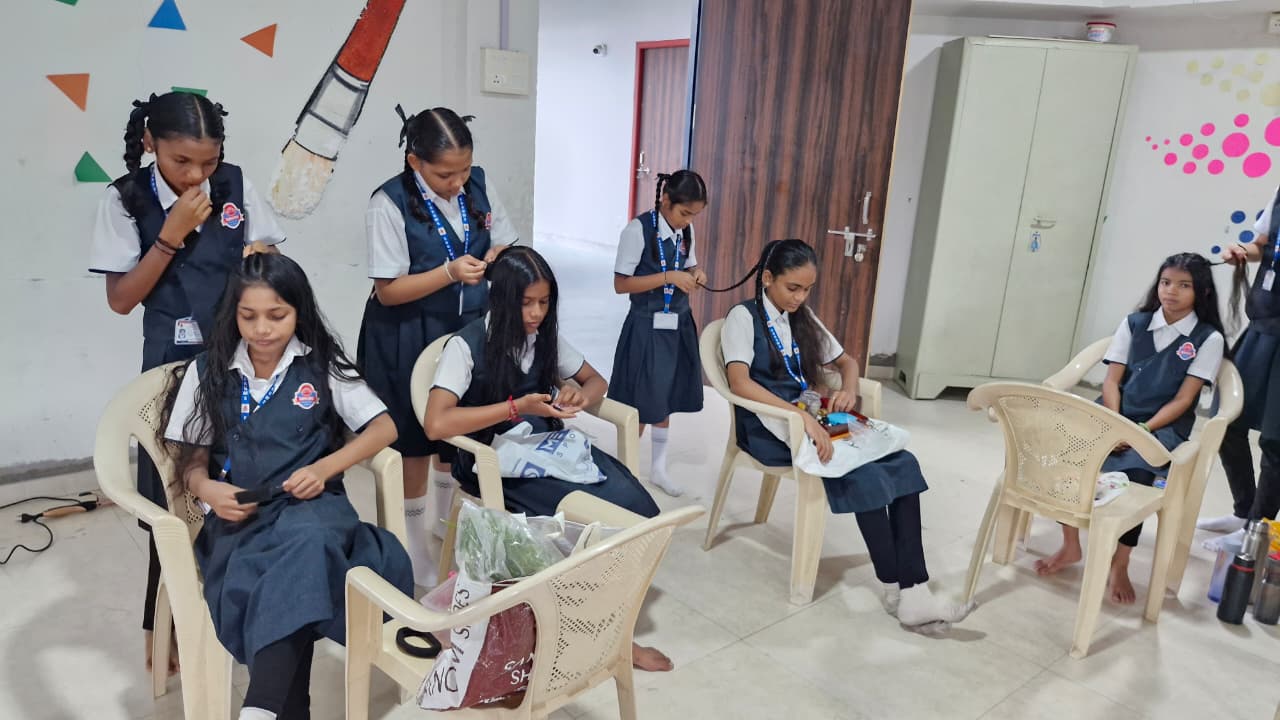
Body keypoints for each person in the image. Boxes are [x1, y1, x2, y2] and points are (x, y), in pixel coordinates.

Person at [161, 253, 412, 720]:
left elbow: (384, 428)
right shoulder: (207, 371)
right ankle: (280, 710)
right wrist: (207, 489)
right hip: (244, 515)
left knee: (308, 542)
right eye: (248, 316)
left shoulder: (322, 366)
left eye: (277, 316)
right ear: (233, 315)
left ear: (299, 312)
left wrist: (325, 468)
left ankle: (260, 707)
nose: (262, 329)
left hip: (314, 507)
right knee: (297, 569)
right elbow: (190, 461)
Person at [88, 90, 285, 672]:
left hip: (240, 357)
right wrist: (170, 234)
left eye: (209, 160)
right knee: (170, 498)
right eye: (182, 162)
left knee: (241, 482)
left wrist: (259, 255)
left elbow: (265, 256)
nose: (198, 175)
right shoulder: (125, 198)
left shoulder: (235, 184)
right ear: (151, 143)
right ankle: (163, 621)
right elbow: (121, 298)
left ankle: (242, 606)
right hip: (171, 366)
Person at [423, 246, 673, 670]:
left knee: (642, 513)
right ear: (502, 299)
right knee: (597, 525)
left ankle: (602, 621)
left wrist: (579, 395)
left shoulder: (543, 339)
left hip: (544, 446)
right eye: (526, 303)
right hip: (491, 458)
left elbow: (596, 381)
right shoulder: (466, 346)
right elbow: (436, 422)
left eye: (544, 302)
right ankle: (608, 636)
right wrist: (515, 408)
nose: (536, 313)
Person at [719, 239, 974, 628]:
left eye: (807, 289)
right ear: (767, 278)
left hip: (811, 415)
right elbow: (739, 383)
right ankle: (898, 587)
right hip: (769, 426)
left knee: (903, 463)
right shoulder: (743, 317)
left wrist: (849, 390)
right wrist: (801, 417)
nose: (800, 297)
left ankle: (913, 590)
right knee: (865, 475)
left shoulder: (801, 315)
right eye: (792, 288)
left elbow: (847, 362)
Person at [357, 106, 518, 587]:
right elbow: (388, 290)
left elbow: (504, 241)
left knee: (456, 431)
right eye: (445, 174)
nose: (457, 182)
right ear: (415, 162)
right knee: (414, 440)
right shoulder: (388, 203)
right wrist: (448, 272)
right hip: (407, 330)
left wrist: (498, 254)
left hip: (465, 328)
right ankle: (412, 542)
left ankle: (446, 525)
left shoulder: (478, 185)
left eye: (464, 170)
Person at [1034, 253, 1224, 603]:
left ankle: (1120, 561)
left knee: (1136, 476)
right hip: (1113, 412)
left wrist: (1140, 431)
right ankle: (1071, 545)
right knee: (1069, 458)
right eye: (1166, 282)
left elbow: (1184, 400)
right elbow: (1111, 381)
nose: (1171, 291)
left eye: (1184, 285)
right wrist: (1116, 424)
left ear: (1202, 292)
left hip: (1161, 425)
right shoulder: (1135, 323)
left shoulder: (1207, 338)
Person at [609, 170, 709, 496]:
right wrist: (668, 277)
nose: (688, 221)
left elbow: (689, 265)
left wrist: (696, 273)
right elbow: (621, 284)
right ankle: (625, 471)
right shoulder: (637, 230)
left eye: (694, 215)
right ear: (666, 200)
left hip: (677, 324)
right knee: (639, 401)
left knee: (665, 396)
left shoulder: (685, 230)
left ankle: (658, 468)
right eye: (684, 213)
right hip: (646, 325)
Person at [1201, 191, 1280, 547]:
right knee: (1226, 420)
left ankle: (1256, 530)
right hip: (1261, 326)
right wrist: (1242, 252)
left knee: (1276, 440)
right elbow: (1263, 245)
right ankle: (1243, 510)